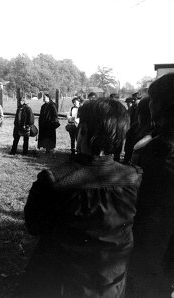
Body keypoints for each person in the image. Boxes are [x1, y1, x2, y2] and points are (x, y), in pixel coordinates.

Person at [24, 98, 142, 298]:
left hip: (61, 283)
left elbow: (34, 226)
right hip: (111, 284)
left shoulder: (55, 179)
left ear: (84, 130)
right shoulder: (135, 177)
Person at [128, 73, 174, 298]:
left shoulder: (160, 148)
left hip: (155, 237)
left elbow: (143, 198)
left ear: (164, 105)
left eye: (154, 100)